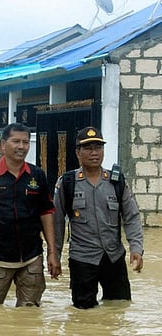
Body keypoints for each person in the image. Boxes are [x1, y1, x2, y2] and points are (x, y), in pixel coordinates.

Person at [0, 123, 60, 307]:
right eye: (16, 141)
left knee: (29, 314)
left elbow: (46, 214)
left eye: (26, 142)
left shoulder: (37, 175)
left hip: (32, 257)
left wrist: (52, 253)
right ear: (3, 144)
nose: (21, 147)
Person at [53, 126, 144, 309]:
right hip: (82, 260)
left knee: (118, 308)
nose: (94, 153)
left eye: (98, 147)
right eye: (88, 148)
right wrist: (54, 255)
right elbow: (56, 222)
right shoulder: (68, 183)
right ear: (78, 152)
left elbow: (131, 216)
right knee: (83, 313)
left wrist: (136, 248)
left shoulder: (116, 181)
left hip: (113, 258)